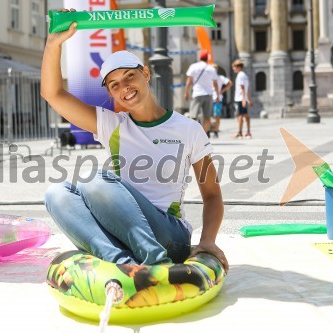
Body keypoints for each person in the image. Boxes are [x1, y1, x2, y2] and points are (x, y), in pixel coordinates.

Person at [41, 10, 228, 272]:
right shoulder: (112, 125)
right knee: (56, 193)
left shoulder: (189, 129)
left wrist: (207, 240)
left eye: (130, 76)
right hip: (123, 233)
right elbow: (53, 94)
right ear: (110, 93)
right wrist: (54, 44)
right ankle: (124, 264)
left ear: (146, 74)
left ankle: (154, 259)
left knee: (95, 179)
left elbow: (212, 195)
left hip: (169, 237)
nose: (125, 87)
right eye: (115, 84)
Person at [184, 50, 220, 137]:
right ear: (207, 59)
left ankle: (192, 136)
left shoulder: (193, 66)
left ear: (199, 58)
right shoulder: (211, 68)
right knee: (207, 117)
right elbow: (215, 83)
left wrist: (186, 92)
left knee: (193, 116)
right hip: (208, 94)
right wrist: (217, 95)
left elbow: (189, 81)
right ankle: (203, 136)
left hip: (197, 93)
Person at [232, 59, 253, 139]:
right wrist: (249, 99)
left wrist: (244, 99)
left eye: (234, 67)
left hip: (240, 99)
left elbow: (243, 88)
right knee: (245, 116)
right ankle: (248, 132)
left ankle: (240, 133)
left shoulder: (240, 75)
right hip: (242, 98)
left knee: (240, 116)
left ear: (238, 67)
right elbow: (247, 89)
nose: (233, 69)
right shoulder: (244, 75)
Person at [210, 64, 233, 139]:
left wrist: (221, 91)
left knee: (217, 116)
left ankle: (216, 131)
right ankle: (209, 131)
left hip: (217, 98)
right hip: (210, 98)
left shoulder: (220, 78)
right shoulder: (209, 78)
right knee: (209, 116)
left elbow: (230, 83)